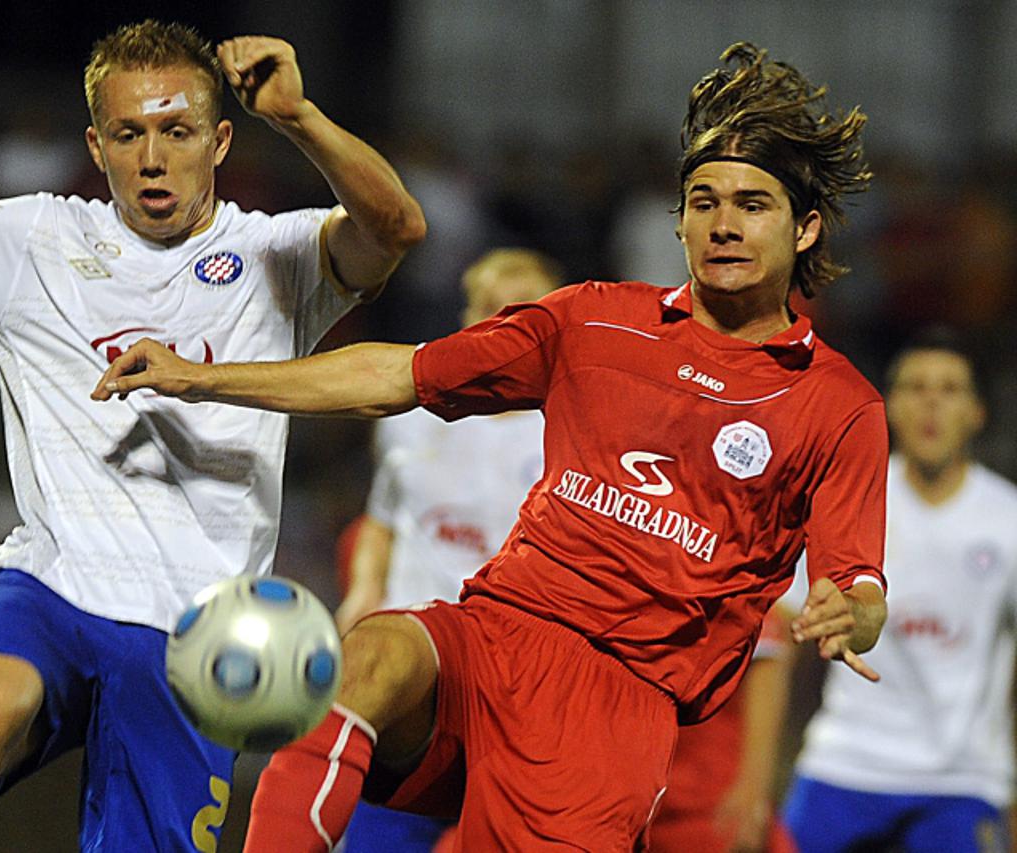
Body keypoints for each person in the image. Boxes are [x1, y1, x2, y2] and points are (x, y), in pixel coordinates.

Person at [92, 42, 888, 851]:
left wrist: (851, 615)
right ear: (678, 220)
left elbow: (859, 585)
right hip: (492, 631)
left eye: (753, 204)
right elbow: (395, 374)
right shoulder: (597, 320)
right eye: (703, 201)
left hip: (614, 705)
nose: (723, 225)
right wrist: (203, 377)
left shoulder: (837, 403)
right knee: (364, 659)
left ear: (805, 228)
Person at [0, 20, 425, 853]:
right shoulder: (37, 237)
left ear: (219, 140)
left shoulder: (276, 255)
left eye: (177, 132)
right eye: (129, 135)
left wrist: (299, 117)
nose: (153, 158)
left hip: (196, 632)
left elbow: (394, 229)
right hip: (53, 584)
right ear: (97, 148)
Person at [336, 248, 559, 853]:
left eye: (524, 315)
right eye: (490, 310)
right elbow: (382, 519)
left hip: (512, 682)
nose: (504, 328)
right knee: (385, 824)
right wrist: (364, 592)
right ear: (466, 318)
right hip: (411, 664)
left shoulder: (569, 433)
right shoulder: (410, 417)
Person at [781, 330, 1017, 853]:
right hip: (846, 761)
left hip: (961, 778)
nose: (931, 403)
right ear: (888, 406)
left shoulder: (1008, 520)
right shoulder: (848, 501)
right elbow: (783, 628)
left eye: (949, 389)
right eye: (916, 387)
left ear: (977, 412)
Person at [648, 605, 795, 853]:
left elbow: (766, 671)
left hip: (708, 800)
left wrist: (753, 788)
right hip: (648, 791)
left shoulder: (739, 596)